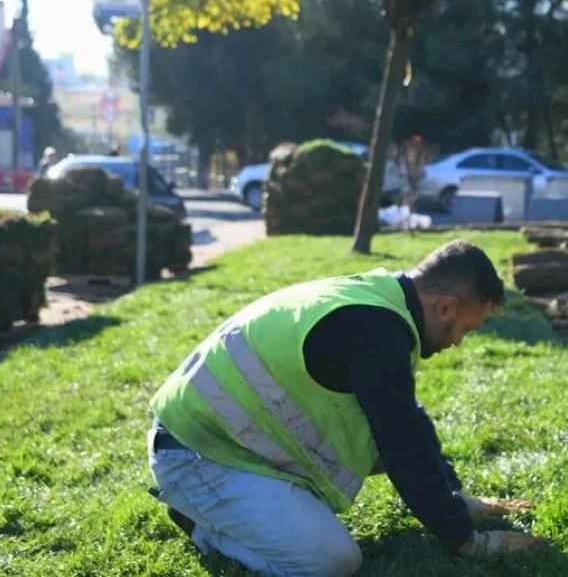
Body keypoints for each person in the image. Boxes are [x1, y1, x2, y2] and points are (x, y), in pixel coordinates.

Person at [147, 240, 543, 576]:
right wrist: (466, 541)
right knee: (333, 562)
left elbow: (407, 423)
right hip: (196, 457)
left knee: (398, 424)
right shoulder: (377, 332)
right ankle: (203, 527)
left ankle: (239, 508)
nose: (458, 342)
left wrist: (457, 499)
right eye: (466, 329)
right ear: (446, 308)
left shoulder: (382, 301)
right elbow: (401, 448)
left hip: (224, 440)